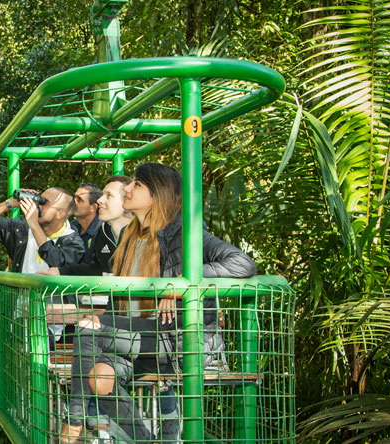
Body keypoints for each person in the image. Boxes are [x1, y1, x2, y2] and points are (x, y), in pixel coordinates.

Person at [59, 163, 256, 444]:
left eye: (137, 184)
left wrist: (181, 283)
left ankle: (74, 423)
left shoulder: (184, 232)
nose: (128, 188)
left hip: (178, 341)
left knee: (90, 328)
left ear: (157, 194)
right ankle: (147, 441)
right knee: (99, 379)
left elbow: (243, 263)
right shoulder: (130, 235)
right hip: (139, 341)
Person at [0, 187, 84, 274]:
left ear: (60, 214)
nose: (38, 205)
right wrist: (10, 203)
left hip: (53, 303)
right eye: (39, 200)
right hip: (22, 302)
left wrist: (34, 225)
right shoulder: (21, 230)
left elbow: (57, 262)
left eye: (44, 203)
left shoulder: (74, 242)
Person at [42, 176, 132, 277]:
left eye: (109, 195)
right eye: (102, 195)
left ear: (127, 201)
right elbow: (99, 269)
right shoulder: (104, 231)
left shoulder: (146, 235)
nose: (100, 200)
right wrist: (62, 271)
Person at [71, 183, 103, 265]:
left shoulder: (102, 231)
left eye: (79, 200)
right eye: (74, 198)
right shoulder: (72, 227)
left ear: (93, 207)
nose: (73, 202)